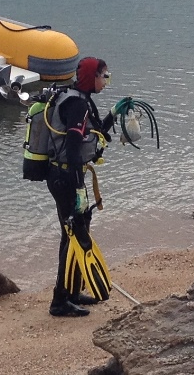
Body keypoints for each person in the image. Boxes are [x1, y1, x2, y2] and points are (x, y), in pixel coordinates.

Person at [45, 56, 116, 317]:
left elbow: (95, 135)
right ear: (91, 77)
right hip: (66, 179)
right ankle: (59, 301)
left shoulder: (80, 99)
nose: (106, 82)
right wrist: (77, 191)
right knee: (72, 234)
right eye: (104, 76)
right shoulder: (76, 105)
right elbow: (74, 149)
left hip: (68, 177)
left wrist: (114, 113)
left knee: (79, 231)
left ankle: (72, 293)